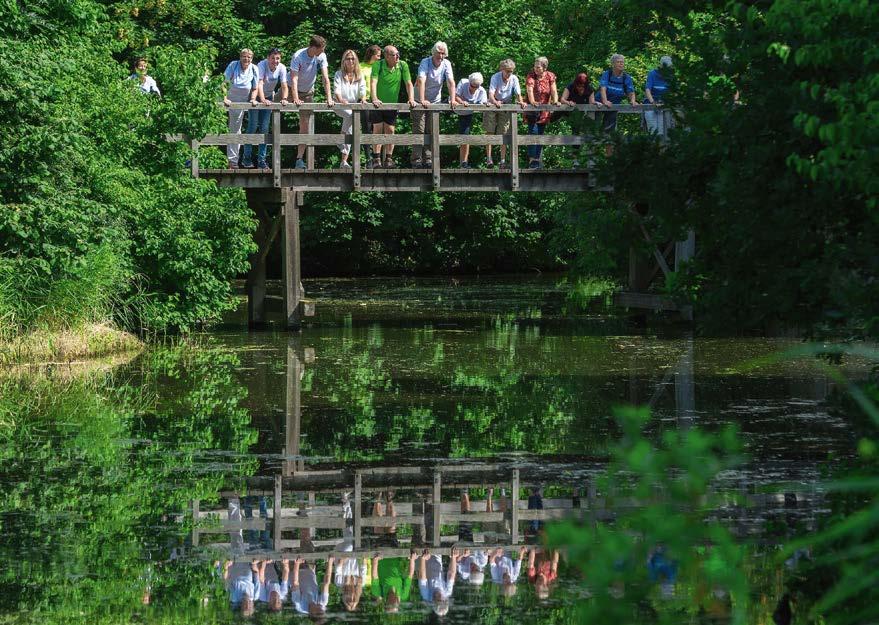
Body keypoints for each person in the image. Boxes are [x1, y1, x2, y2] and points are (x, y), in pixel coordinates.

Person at [290, 35, 334, 170]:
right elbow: (294, 79)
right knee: (271, 111)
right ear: (314, 48)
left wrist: (329, 97)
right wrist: (295, 97)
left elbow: (325, 78)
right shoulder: (298, 55)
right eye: (321, 49)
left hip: (308, 91)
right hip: (291, 88)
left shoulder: (321, 56)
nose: (323, 51)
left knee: (304, 125)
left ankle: (299, 159)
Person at [242, 47, 289, 169]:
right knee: (253, 126)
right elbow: (260, 83)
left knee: (264, 128)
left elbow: (284, 85)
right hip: (256, 96)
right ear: (268, 58)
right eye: (273, 58)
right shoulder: (261, 65)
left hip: (268, 97)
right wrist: (262, 100)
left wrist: (284, 98)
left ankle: (261, 160)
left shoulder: (282, 68)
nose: (275, 61)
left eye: (277, 58)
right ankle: (247, 158)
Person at [370, 45, 415, 168]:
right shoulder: (378, 65)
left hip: (392, 104)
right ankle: (376, 158)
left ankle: (389, 158)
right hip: (378, 104)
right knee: (377, 129)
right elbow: (373, 82)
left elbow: (409, 83)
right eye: (394, 54)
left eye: (398, 54)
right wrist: (374, 98)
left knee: (390, 130)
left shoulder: (402, 65)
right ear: (386, 56)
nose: (397, 56)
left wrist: (411, 98)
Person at [411, 42, 456, 168]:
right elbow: (421, 80)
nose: (441, 56)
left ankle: (429, 158)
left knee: (431, 130)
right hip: (419, 99)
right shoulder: (425, 62)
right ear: (433, 52)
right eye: (439, 53)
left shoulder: (446, 64)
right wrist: (422, 99)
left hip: (435, 100)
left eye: (443, 53)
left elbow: (451, 82)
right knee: (419, 129)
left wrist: (452, 99)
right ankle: (417, 159)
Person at [222, 49, 259, 169]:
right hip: (227, 100)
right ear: (240, 57)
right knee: (215, 126)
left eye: (249, 57)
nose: (246, 59)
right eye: (244, 56)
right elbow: (224, 83)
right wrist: (224, 98)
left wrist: (253, 99)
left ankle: (232, 161)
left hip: (240, 102)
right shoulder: (233, 65)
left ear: (252, 59)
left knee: (235, 129)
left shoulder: (254, 69)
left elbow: (255, 87)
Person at [484, 59, 525, 168]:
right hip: (493, 103)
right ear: (502, 69)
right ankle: (489, 158)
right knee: (490, 131)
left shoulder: (514, 78)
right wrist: (495, 102)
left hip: (505, 105)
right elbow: (491, 94)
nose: (509, 73)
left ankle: (502, 160)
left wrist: (520, 101)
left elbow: (518, 93)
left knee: (504, 132)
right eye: (507, 71)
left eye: (511, 71)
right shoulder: (495, 77)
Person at [333, 50, 367, 168]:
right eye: (348, 58)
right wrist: (341, 100)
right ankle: (341, 139)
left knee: (351, 129)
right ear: (344, 61)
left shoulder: (359, 75)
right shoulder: (339, 74)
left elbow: (363, 90)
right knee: (352, 117)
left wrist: (363, 98)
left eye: (353, 58)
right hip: (339, 104)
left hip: (352, 107)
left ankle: (344, 161)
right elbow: (336, 90)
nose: (351, 61)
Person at [525, 56, 559, 169]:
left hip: (544, 109)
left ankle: (537, 159)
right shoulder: (531, 75)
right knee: (533, 133)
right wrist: (533, 101)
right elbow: (529, 89)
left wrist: (555, 101)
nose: (535, 68)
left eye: (538, 67)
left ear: (544, 67)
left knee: (540, 134)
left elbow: (553, 90)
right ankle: (531, 160)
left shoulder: (550, 75)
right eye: (535, 66)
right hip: (532, 109)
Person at [558, 72, 597, 166]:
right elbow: (562, 99)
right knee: (576, 133)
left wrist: (596, 103)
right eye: (579, 86)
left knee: (590, 132)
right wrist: (568, 102)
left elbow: (592, 102)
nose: (580, 88)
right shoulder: (570, 86)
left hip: (586, 112)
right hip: (573, 112)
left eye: (582, 86)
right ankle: (575, 160)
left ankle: (590, 159)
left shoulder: (590, 89)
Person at [454, 73, 487, 168]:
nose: (474, 88)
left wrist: (487, 104)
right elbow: (456, 96)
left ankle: (464, 162)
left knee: (465, 135)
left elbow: (484, 103)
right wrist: (461, 102)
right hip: (454, 109)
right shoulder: (463, 83)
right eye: (473, 86)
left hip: (467, 113)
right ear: (469, 83)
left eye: (477, 86)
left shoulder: (481, 90)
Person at [599, 53, 638, 133]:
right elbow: (603, 89)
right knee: (593, 127)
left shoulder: (626, 77)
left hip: (612, 106)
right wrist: (605, 101)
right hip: (599, 103)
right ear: (613, 64)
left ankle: (608, 145)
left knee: (609, 131)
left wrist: (633, 100)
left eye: (622, 62)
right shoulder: (607, 74)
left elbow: (631, 92)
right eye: (618, 62)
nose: (621, 64)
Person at [418, 548, 458, 616]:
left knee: (421, 546)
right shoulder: (447, 592)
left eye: (439, 601)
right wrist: (453, 557)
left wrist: (423, 558)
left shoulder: (426, 595)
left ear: (434, 602)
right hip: (437, 559)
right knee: (436, 544)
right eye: (443, 600)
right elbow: (451, 574)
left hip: (423, 563)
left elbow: (422, 576)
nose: (441, 598)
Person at [359, 45, 383, 155]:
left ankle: (376, 156)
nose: (379, 58)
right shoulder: (360, 66)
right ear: (371, 55)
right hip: (365, 100)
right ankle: (368, 156)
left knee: (378, 128)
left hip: (378, 100)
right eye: (378, 55)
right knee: (367, 128)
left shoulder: (381, 66)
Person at [644, 55, 673, 135]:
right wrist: (653, 102)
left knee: (663, 132)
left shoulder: (670, 75)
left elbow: (672, 92)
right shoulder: (652, 74)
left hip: (664, 105)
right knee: (653, 132)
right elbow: (647, 89)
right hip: (651, 105)